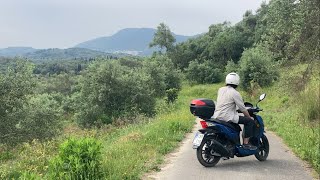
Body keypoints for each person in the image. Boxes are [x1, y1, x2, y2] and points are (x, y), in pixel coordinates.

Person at [213, 72, 257, 150]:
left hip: (217, 115)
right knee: (249, 121)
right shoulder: (235, 93)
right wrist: (249, 117)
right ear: (237, 82)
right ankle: (246, 143)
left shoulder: (220, 90)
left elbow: (227, 103)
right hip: (228, 116)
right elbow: (243, 108)